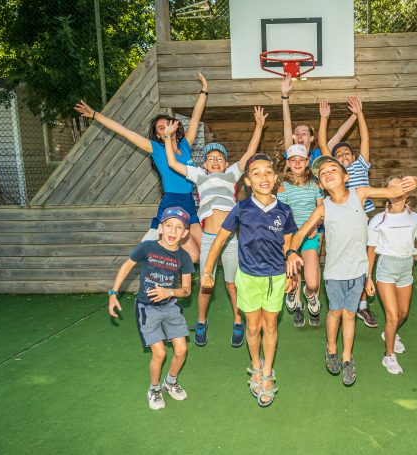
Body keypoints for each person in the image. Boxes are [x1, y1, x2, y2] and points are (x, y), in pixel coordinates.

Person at [286, 155, 417, 386]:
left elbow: (394, 192)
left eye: (332, 169)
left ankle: (347, 357)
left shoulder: (360, 193)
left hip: (358, 271)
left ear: (346, 176)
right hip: (334, 273)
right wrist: (291, 252)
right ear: (320, 184)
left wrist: (413, 181)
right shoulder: (323, 209)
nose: (327, 173)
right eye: (323, 173)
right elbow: (299, 234)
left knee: (349, 315)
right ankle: (331, 348)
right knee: (335, 313)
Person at [74, 72, 209, 262]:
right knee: (193, 257)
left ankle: (165, 256)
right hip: (172, 203)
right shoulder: (156, 149)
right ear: (159, 135)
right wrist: (94, 115)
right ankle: (163, 263)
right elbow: (124, 131)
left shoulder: (186, 145)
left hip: (188, 202)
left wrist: (204, 90)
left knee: (205, 253)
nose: (165, 128)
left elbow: (195, 116)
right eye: (160, 128)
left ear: (175, 126)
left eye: (167, 124)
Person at [163, 107, 266, 347]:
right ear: (205, 164)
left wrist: (259, 126)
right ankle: (201, 321)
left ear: (226, 163)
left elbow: (250, 153)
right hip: (209, 237)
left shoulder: (232, 174)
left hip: (230, 239)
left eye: (220, 157)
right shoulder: (199, 175)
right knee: (206, 284)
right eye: (211, 158)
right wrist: (168, 137)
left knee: (232, 284)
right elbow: (172, 162)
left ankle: (238, 321)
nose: (215, 160)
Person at [201, 153, 297, 407]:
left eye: (268, 172)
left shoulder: (285, 211)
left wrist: (291, 274)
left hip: (275, 278)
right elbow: (220, 240)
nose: (263, 177)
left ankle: (268, 372)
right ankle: (256, 364)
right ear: (247, 181)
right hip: (248, 278)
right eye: (257, 173)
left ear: (275, 178)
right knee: (253, 327)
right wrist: (207, 272)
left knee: (271, 326)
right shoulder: (241, 209)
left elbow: (288, 246)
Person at [108, 206, 194, 410]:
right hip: (147, 308)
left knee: (181, 350)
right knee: (160, 353)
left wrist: (168, 292)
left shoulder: (184, 257)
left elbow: (187, 290)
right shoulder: (147, 247)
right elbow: (126, 266)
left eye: (179, 227)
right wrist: (113, 293)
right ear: (161, 228)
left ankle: (170, 382)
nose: (173, 231)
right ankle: (154, 389)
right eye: (169, 225)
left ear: (185, 233)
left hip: (170, 306)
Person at [318, 96, 378, 328]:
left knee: (366, 259)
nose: (343, 156)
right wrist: (324, 119)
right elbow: (323, 145)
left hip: (365, 219)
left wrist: (360, 114)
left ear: (353, 157)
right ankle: (347, 303)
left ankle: (362, 305)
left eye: (347, 153)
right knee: (347, 260)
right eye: (339, 155)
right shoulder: (336, 174)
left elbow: (365, 138)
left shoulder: (361, 165)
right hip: (343, 222)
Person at [366, 176, 417, 375]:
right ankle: (389, 355)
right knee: (392, 316)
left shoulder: (416, 219)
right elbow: (371, 250)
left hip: (406, 269)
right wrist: (368, 278)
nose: (395, 189)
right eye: (391, 187)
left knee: (403, 314)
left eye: (400, 186)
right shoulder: (378, 220)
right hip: (386, 269)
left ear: (407, 191)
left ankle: (389, 334)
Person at [277, 143, 324, 328]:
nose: (297, 163)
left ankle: (310, 295)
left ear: (307, 161)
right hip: (290, 237)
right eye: (293, 160)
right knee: (293, 275)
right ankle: (293, 295)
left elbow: (321, 211)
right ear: (288, 162)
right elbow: (281, 214)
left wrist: (316, 225)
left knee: (312, 283)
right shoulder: (283, 186)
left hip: (310, 236)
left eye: (301, 160)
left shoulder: (315, 184)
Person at [281, 75, 356, 165]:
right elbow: (287, 125)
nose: (299, 136)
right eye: (297, 134)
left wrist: (356, 114)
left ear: (311, 138)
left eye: (304, 133)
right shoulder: (291, 153)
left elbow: (339, 134)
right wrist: (285, 96)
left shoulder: (319, 155)